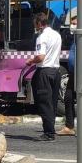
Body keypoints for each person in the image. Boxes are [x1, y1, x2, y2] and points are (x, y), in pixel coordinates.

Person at [27, 11, 62, 141]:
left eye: (35, 24)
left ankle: (49, 133)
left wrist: (30, 61)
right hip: (55, 71)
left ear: (40, 24)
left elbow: (41, 57)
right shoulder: (57, 35)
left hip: (44, 72)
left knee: (43, 102)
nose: (35, 26)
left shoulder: (41, 37)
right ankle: (50, 129)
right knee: (52, 102)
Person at [62, 19, 77, 135]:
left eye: (75, 23)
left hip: (81, 73)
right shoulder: (75, 39)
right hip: (74, 72)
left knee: (81, 99)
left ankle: (72, 126)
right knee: (68, 97)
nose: (72, 26)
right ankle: (69, 126)